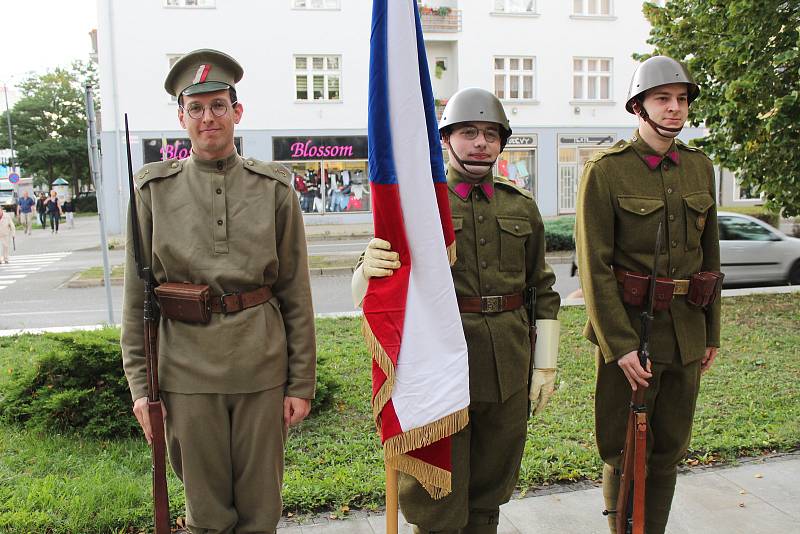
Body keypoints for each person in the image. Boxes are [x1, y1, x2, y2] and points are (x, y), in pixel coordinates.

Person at [120, 48, 317, 534]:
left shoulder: (274, 189)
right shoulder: (152, 191)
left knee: (261, 513)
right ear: (181, 117)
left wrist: (300, 383)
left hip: (261, 366)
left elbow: (296, 292)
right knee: (206, 515)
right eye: (197, 108)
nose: (208, 118)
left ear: (237, 112)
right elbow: (135, 300)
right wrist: (143, 391)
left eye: (219, 106)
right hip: (186, 373)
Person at [352, 87, 561, 534]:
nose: (480, 142)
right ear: (445, 139)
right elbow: (382, 291)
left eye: (490, 133)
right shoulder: (420, 203)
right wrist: (365, 270)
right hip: (439, 363)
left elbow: (542, 289)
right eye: (469, 132)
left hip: (506, 364)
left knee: (488, 496)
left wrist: (544, 365)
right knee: (437, 502)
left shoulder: (520, 207)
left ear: (502, 142)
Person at [575, 56, 721, 534]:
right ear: (638, 106)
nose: (674, 109)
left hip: (685, 332)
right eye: (663, 99)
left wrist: (711, 333)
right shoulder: (607, 171)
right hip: (633, 333)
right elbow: (594, 269)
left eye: (681, 100)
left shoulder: (700, 168)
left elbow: (710, 258)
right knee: (624, 448)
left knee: (668, 450)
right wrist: (618, 347)